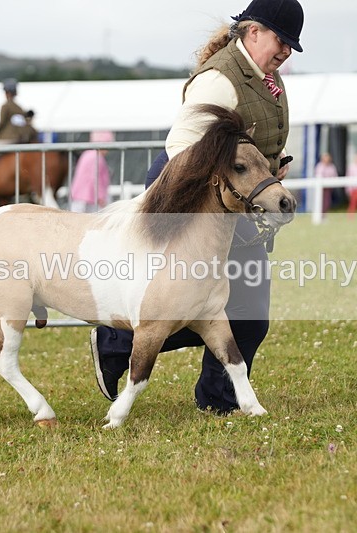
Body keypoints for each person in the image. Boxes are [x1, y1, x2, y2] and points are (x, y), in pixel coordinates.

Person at [90, 0, 304, 414]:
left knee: (248, 313)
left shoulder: (265, 77)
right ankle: (116, 340)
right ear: (254, 32)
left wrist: (268, 174)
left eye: (291, 45)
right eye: (282, 40)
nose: (286, 51)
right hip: (191, 199)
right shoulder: (219, 80)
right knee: (208, 306)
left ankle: (217, 398)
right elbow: (180, 147)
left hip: (233, 201)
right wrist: (236, 185)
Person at [69, 131, 115, 213]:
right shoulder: (98, 158)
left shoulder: (86, 154)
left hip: (80, 196)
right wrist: (101, 197)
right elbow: (96, 179)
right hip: (90, 199)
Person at [0, 78, 34, 144]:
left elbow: (2, 123)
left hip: (7, 138)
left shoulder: (5, 106)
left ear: (7, 92)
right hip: (21, 137)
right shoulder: (19, 107)